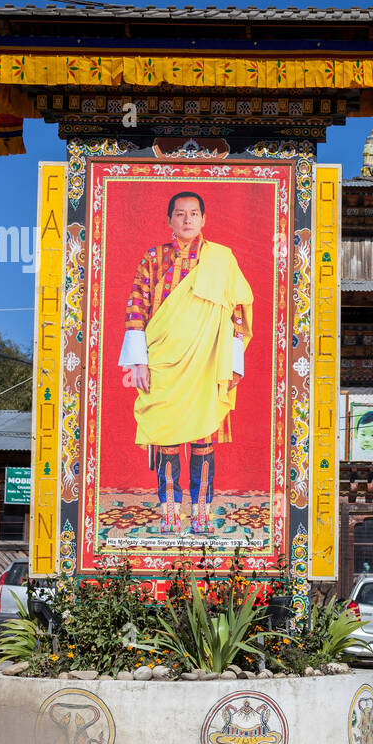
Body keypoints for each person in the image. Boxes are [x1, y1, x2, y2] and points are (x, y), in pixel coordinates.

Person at [118, 191, 254, 535]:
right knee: (165, 439)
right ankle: (169, 511)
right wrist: (140, 363)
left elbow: (236, 312)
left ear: (204, 219)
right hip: (162, 360)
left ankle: (202, 511)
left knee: (203, 440)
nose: (188, 219)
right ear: (169, 220)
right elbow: (137, 306)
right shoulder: (154, 258)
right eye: (180, 214)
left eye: (194, 213)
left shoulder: (221, 259)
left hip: (207, 361)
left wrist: (234, 362)